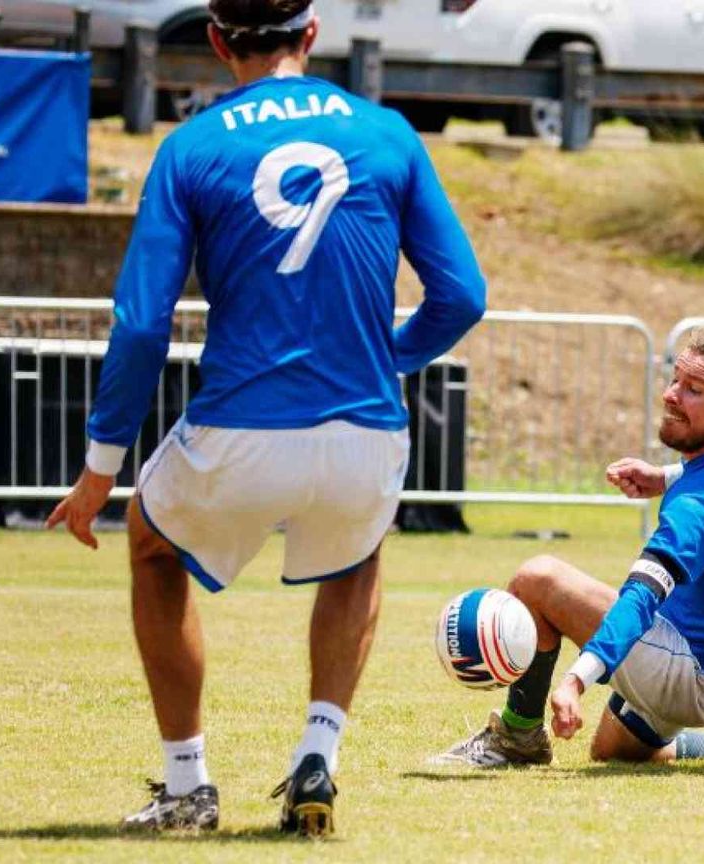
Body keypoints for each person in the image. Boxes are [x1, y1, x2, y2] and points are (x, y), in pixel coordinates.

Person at [46, 0, 485, 837]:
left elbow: (141, 323)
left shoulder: (192, 146)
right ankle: (318, 751)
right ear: (311, 35)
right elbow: (462, 293)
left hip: (240, 426)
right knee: (356, 554)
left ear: (216, 40)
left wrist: (100, 469)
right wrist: (389, 355)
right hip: (364, 428)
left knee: (150, 540)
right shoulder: (388, 133)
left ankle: (187, 786)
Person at [430, 331, 704, 768]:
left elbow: (642, 595)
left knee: (537, 578)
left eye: (694, 389)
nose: (671, 396)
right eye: (675, 380)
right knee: (612, 752)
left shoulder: (701, 506)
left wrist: (576, 681)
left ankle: (518, 738)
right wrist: (667, 476)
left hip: (693, 672)